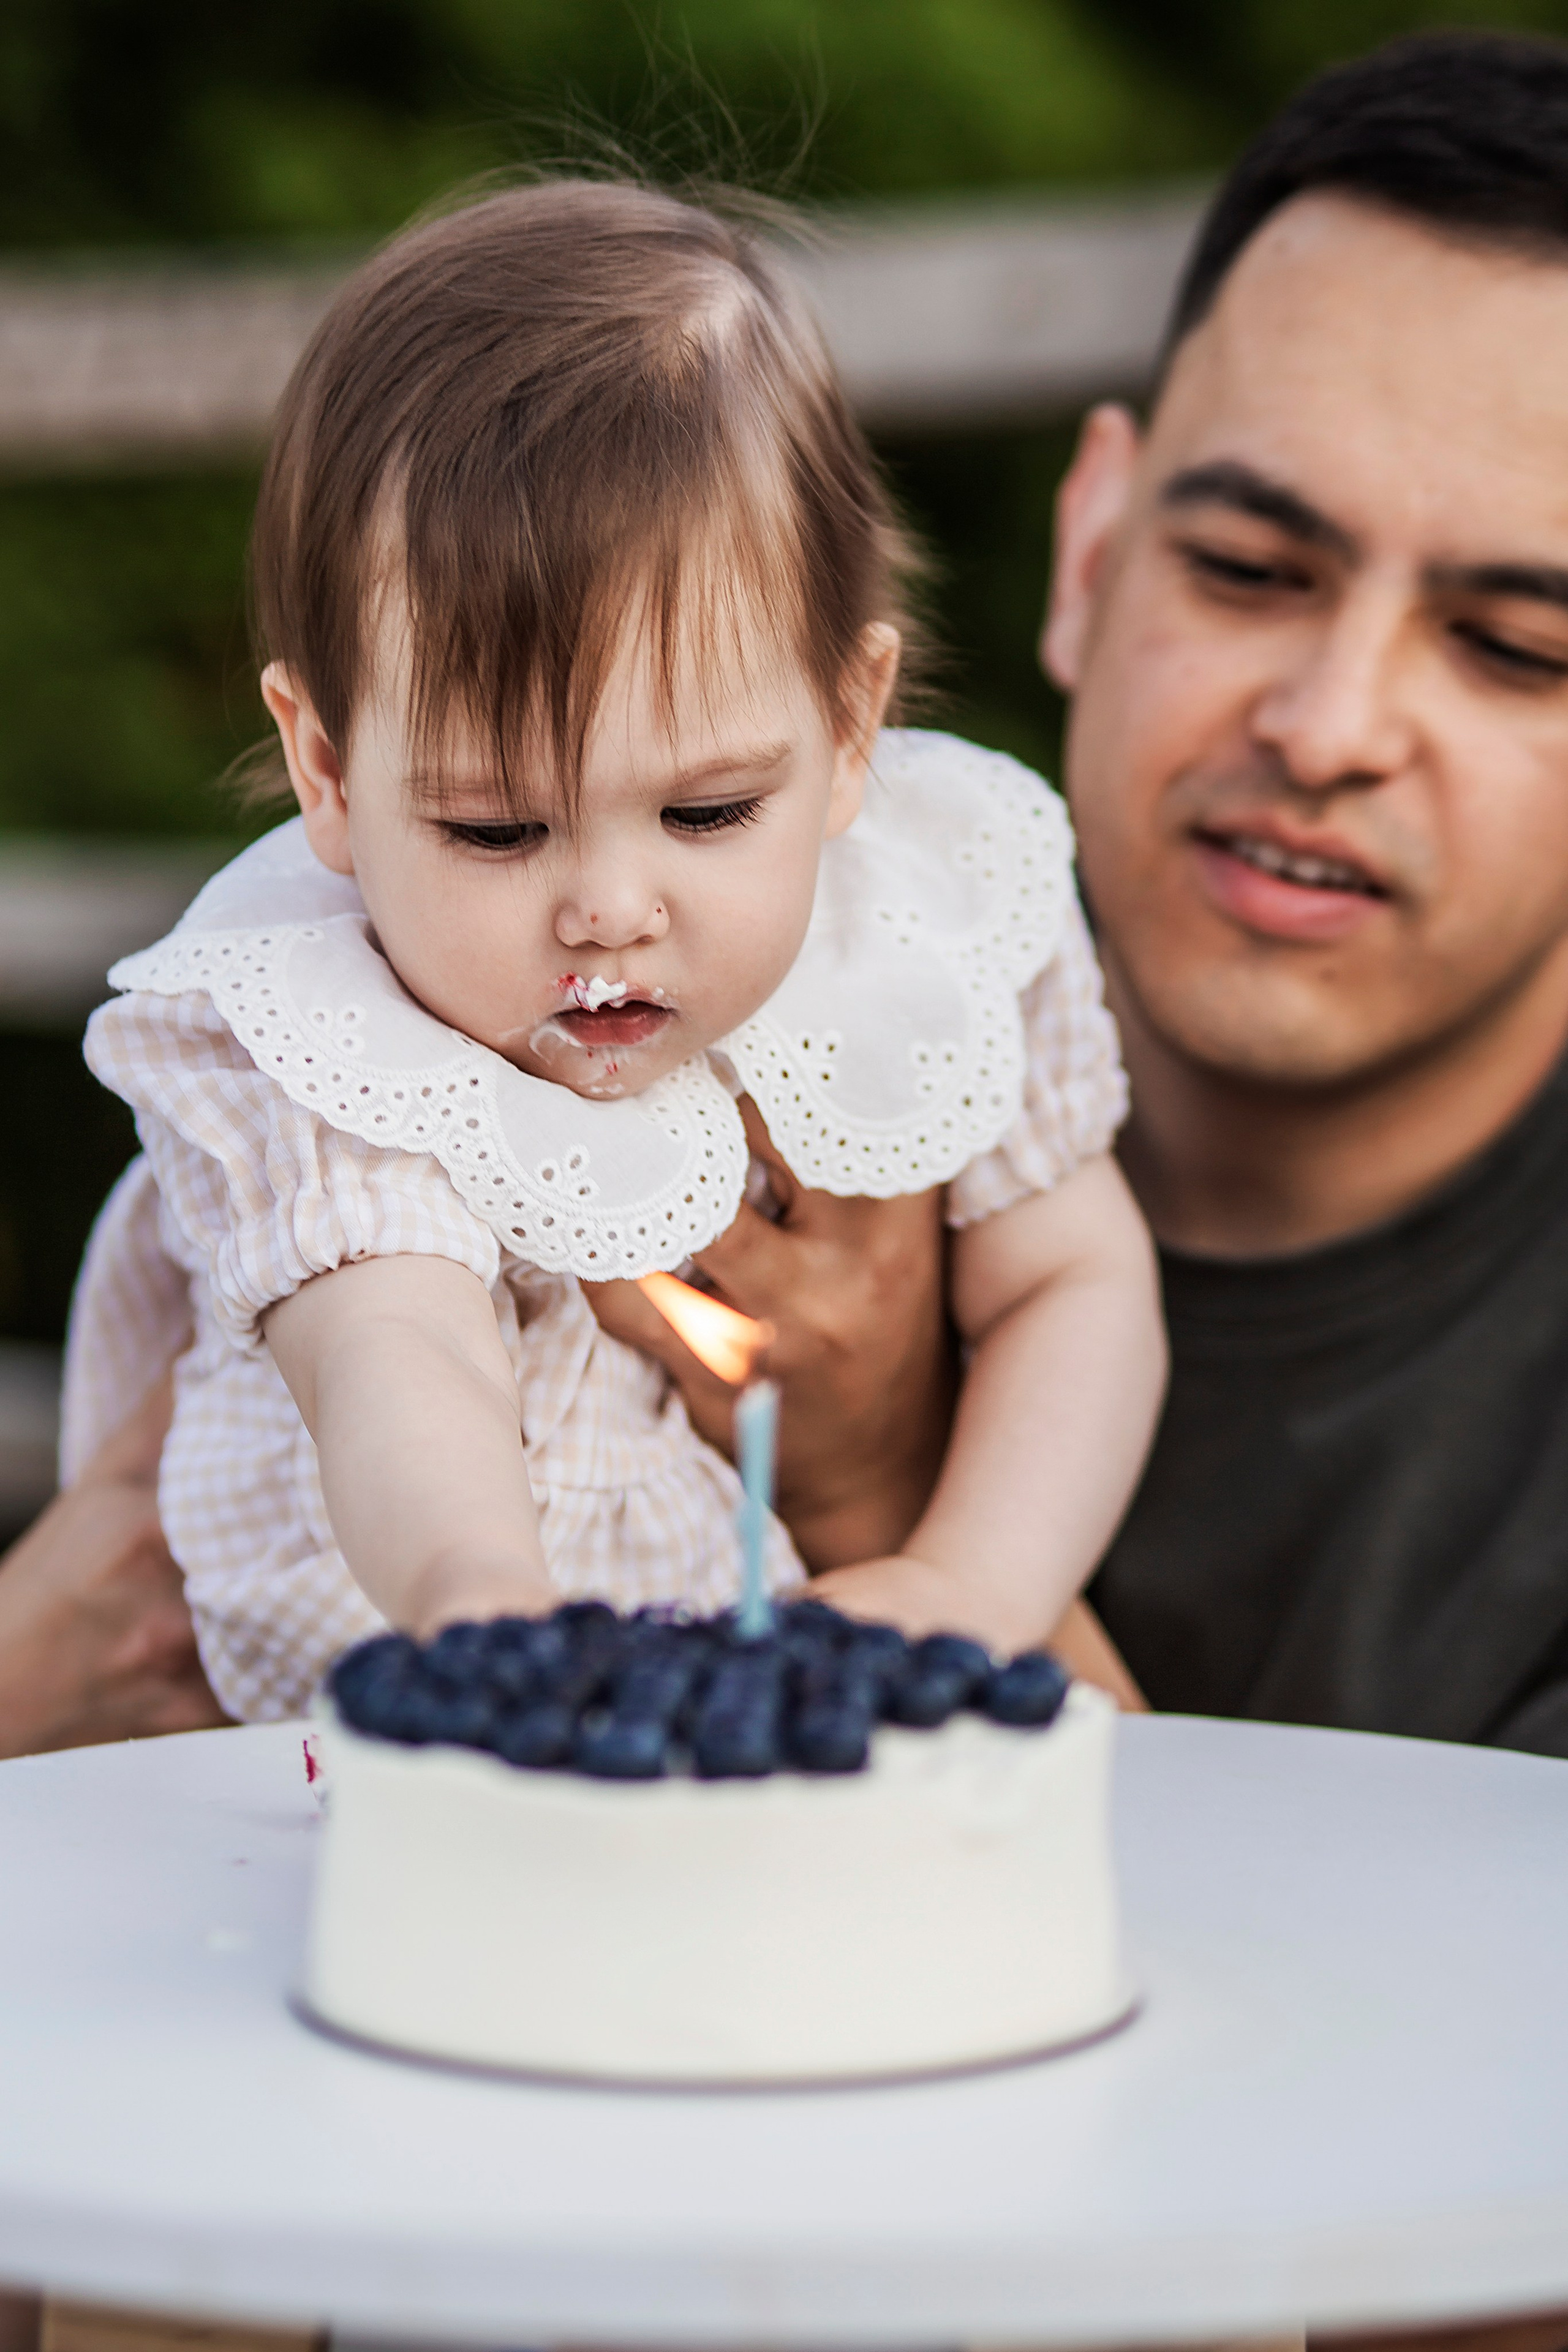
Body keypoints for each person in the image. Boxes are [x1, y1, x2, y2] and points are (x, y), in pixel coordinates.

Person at [61, 174, 1162, 1724]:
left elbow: (1077, 1286)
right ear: (327, 769)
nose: (608, 909)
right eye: (495, 830)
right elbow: (397, 1359)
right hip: (412, 1741)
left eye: (707, 812)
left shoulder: (923, 911)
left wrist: (969, 1586)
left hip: (805, 1706)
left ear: (848, 729)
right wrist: (485, 1610)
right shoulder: (323, 1029)